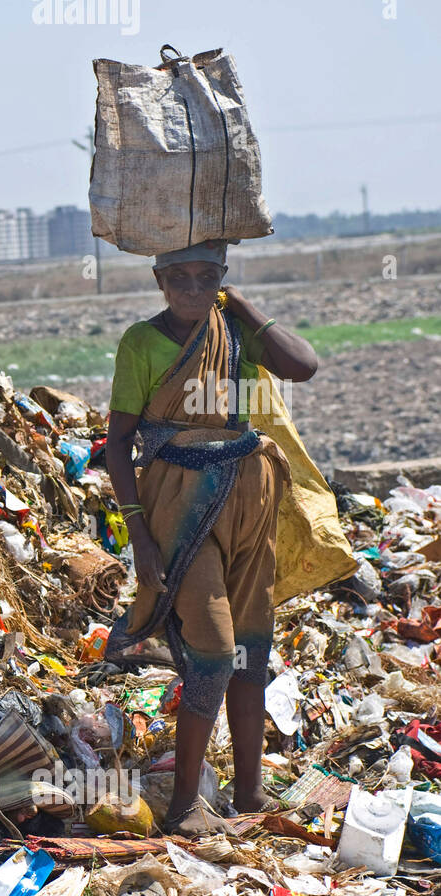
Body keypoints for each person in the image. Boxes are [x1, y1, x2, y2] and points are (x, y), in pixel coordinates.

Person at [105, 239, 318, 835]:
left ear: (222, 278)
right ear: (158, 280)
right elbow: (118, 444)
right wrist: (138, 536)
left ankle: (249, 794)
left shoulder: (235, 331)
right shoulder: (141, 342)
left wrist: (244, 307)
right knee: (215, 652)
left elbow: (302, 366)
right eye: (180, 277)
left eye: (207, 277)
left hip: (250, 497)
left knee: (251, 646)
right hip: (179, 500)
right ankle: (183, 807)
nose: (193, 289)